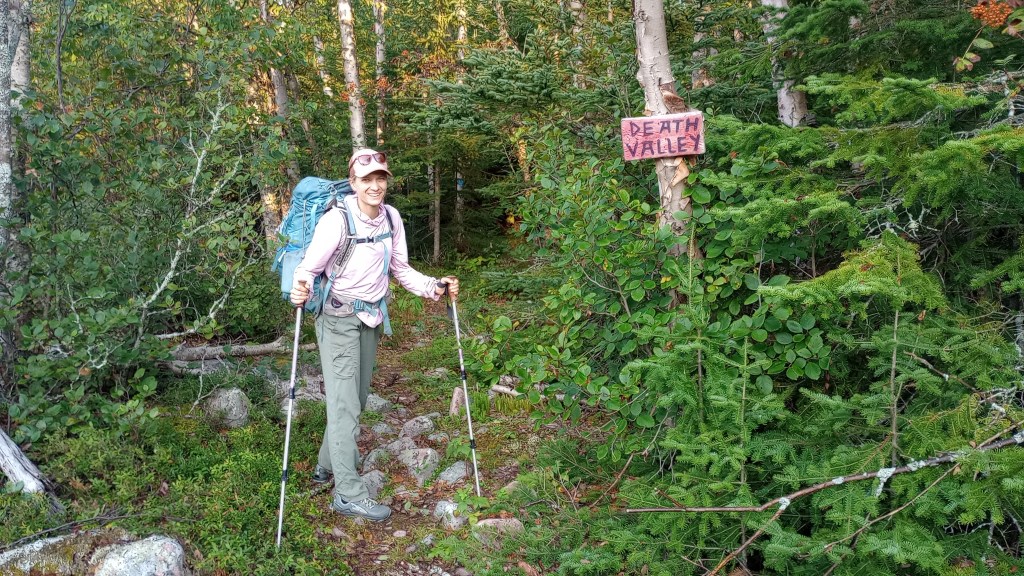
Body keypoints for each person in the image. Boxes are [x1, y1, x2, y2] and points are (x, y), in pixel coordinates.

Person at [289, 148, 459, 522]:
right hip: (337, 318)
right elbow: (308, 267)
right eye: (367, 179)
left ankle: (326, 467)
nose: (375, 185)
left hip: (371, 317)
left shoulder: (391, 218)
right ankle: (348, 494)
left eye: (380, 178)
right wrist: (299, 288)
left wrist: (435, 287)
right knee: (345, 403)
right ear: (354, 183)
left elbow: (400, 268)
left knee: (357, 398)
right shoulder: (336, 220)